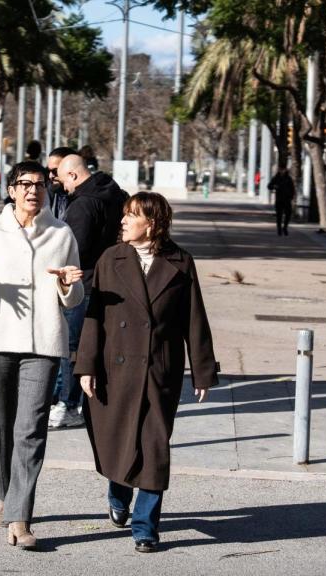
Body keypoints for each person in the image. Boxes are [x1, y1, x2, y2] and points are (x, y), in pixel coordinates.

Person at [75, 192, 219, 553]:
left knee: (154, 449)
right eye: (124, 214)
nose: (122, 221)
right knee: (119, 442)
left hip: (159, 371)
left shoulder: (180, 262)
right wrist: (86, 366)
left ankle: (145, 526)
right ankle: (118, 492)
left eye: (131, 215)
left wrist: (202, 371)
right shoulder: (111, 258)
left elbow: (194, 319)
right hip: (115, 370)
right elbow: (94, 317)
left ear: (151, 224)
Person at [0, 160, 84, 549]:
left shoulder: (61, 234)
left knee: (31, 427)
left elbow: (73, 298)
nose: (33, 191)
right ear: (11, 190)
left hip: (42, 344)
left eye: (40, 184)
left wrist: (67, 285)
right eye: (25, 184)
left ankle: (20, 516)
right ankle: (4, 492)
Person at [49, 154, 128, 429]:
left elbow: (74, 250)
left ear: (73, 175)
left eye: (62, 179)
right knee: (100, 346)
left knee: (73, 347)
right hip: (111, 280)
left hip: (84, 283)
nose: (63, 187)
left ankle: (68, 404)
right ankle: (94, 402)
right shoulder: (115, 193)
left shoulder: (82, 205)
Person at [44, 147, 76, 218]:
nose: (50, 176)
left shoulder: (85, 200)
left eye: (55, 171)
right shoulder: (47, 194)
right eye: (48, 171)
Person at [268, 167, 296, 236]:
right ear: (279, 170)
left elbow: (292, 188)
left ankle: (285, 227)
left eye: (284, 169)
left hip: (287, 199)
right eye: (281, 169)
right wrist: (275, 186)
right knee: (279, 216)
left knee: (288, 214)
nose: (283, 171)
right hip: (279, 200)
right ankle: (279, 229)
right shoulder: (276, 178)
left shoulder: (289, 178)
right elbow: (269, 186)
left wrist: (291, 197)